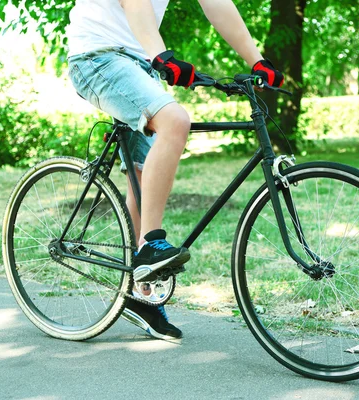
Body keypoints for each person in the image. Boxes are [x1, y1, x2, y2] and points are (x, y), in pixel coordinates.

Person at [66, 0, 284, 341]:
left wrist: (256, 60)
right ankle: (151, 245)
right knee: (175, 121)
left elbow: (216, 3)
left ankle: (140, 290)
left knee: (141, 175)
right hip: (98, 56)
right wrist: (161, 55)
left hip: (140, 62)